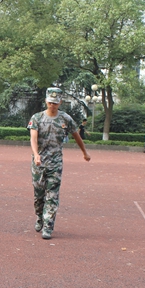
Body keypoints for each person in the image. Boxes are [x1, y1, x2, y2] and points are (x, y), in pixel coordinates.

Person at [28, 87, 91, 240]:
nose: (52, 105)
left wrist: (84, 152)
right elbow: (33, 138)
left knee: (53, 195)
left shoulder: (65, 119)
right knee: (39, 195)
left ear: (60, 102)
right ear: (46, 101)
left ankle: (48, 226)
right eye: (50, 102)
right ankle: (39, 216)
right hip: (39, 163)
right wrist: (36, 155)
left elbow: (76, 135)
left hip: (55, 164)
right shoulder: (37, 118)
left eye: (55, 103)